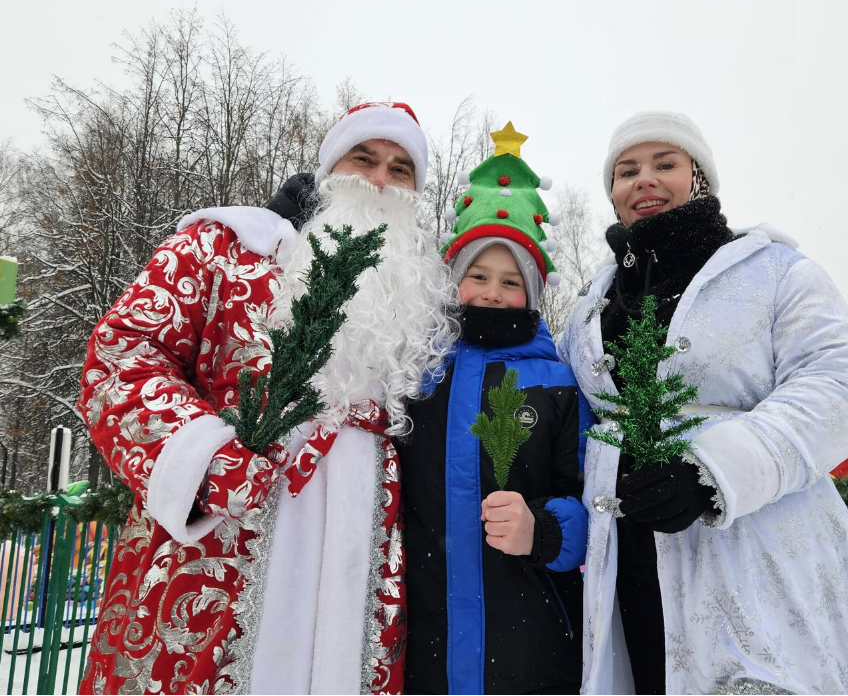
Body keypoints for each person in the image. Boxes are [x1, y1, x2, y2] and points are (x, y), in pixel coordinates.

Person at [77, 102, 460, 695]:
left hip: (360, 556)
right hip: (219, 537)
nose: (381, 180)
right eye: (364, 158)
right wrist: (204, 457)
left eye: (401, 168)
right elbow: (123, 354)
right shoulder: (226, 249)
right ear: (330, 166)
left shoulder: (417, 299)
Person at [560, 111, 848, 694]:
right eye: (626, 172)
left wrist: (714, 472)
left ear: (700, 177)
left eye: (665, 164)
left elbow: (838, 386)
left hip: (762, 550)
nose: (643, 180)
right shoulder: (591, 303)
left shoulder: (776, 272)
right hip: (630, 557)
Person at [398, 127, 591, 695]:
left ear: (531, 293)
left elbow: (589, 498)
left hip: (529, 655)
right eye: (477, 276)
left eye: (511, 282)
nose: (491, 292)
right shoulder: (418, 370)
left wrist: (546, 531)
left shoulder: (557, 382)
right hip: (422, 646)